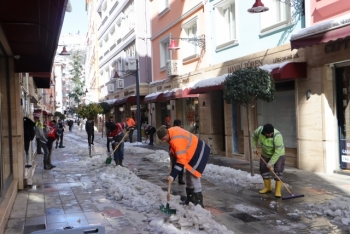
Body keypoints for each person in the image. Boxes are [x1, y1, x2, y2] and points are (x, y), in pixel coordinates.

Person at [157, 125, 210, 208]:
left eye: (164, 138)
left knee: (194, 176)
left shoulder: (176, 140)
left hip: (198, 151)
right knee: (188, 175)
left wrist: (172, 176)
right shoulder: (171, 132)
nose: (164, 141)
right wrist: (172, 151)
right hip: (190, 150)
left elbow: (181, 161)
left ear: (167, 134)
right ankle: (190, 199)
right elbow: (177, 145)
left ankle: (199, 203)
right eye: (162, 140)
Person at [252, 123, 286, 198]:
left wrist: (271, 162)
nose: (270, 135)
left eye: (271, 133)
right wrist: (254, 147)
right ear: (264, 132)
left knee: (278, 171)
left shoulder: (277, 136)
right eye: (268, 134)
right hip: (265, 153)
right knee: (263, 169)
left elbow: (277, 151)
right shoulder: (259, 131)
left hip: (279, 154)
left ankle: (277, 190)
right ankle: (267, 188)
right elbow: (254, 137)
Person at [170, 119, 185, 185]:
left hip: (179, 150)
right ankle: (175, 178)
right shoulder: (172, 131)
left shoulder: (174, 130)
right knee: (177, 165)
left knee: (179, 165)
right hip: (175, 150)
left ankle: (178, 178)